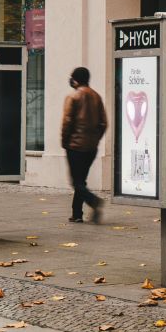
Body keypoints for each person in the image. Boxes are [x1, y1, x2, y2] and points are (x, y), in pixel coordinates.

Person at [61, 66, 107, 223]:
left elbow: (67, 122)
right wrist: (95, 139)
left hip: (75, 146)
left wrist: (64, 141)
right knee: (81, 180)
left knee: (76, 182)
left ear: (75, 80)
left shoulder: (73, 97)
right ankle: (77, 214)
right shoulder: (96, 97)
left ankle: (94, 202)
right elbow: (104, 123)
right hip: (91, 147)